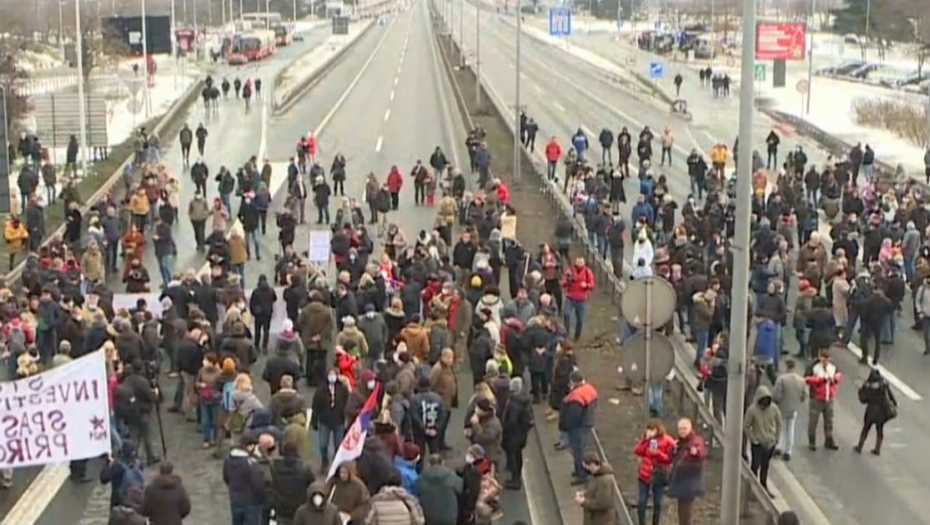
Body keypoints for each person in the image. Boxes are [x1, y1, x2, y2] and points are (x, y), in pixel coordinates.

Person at [558, 370, 598, 485]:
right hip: (587, 423)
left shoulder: (577, 395)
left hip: (578, 427)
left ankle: (582, 474)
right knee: (580, 448)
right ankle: (579, 470)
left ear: (573, 382)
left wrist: (566, 426)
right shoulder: (589, 389)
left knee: (578, 450)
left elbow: (573, 415)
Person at [633, 421, 675, 525]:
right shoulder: (647, 440)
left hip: (658, 474)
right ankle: (641, 522)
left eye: (652, 430)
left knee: (658, 503)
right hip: (644, 474)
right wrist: (645, 440)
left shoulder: (668, 440)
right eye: (648, 430)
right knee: (642, 501)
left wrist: (658, 454)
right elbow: (638, 451)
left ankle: (655, 522)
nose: (650, 432)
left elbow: (670, 459)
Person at [743, 385, 782, 495]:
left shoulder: (774, 408)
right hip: (758, 444)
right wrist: (753, 439)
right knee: (755, 465)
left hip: (770, 443)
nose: (765, 401)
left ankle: (763, 486)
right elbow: (746, 425)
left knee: (765, 466)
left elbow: (779, 423)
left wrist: (776, 438)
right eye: (763, 399)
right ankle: (752, 489)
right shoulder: (752, 410)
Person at [667, 418, 706, 525]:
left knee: (685, 514)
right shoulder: (680, 443)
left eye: (684, 428)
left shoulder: (695, 441)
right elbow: (671, 457)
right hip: (683, 482)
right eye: (680, 429)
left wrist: (695, 452)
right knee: (682, 512)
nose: (682, 431)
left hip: (689, 482)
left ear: (690, 428)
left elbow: (700, 452)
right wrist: (673, 449)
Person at [223, 434, 267, 525]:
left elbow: (226, 477)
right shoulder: (251, 463)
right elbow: (258, 484)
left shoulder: (228, 459)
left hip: (235, 499)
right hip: (251, 502)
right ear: (250, 446)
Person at [270, 442, 315, 525]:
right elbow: (312, 485)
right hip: (299, 506)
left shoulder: (274, 467)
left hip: (281, 508)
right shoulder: (304, 469)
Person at [854, 369, 897, 456]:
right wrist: (894, 403)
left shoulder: (868, 387)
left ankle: (860, 446)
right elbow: (890, 395)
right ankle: (877, 449)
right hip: (882, 411)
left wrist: (860, 389)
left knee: (866, 428)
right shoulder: (884, 384)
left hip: (871, 412)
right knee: (880, 429)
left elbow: (863, 399)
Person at [805, 348, 841, 451]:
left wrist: (834, 379)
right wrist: (820, 380)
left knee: (829, 420)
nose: (825, 361)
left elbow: (838, 375)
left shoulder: (832, 366)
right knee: (813, 420)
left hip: (829, 397)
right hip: (816, 398)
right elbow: (807, 379)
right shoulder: (813, 366)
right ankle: (812, 441)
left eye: (827, 359)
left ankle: (828, 439)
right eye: (823, 358)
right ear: (819, 357)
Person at [500, 377, 533, 489]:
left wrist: (505, 428)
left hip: (513, 436)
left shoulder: (513, 404)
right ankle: (517, 476)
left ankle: (515, 480)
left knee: (513, 456)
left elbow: (512, 422)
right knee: (518, 456)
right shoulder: (523, 401)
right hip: (521, 435)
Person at [773, 359, 807, 461]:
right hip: (793, 408)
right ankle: (788, 450)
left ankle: (778, 447)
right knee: (790, 429)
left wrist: (775, 401)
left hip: (782, 408)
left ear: (786, 366)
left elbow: (776, 395)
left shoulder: (781, 379)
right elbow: (804, 395)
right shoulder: (801, 380)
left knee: (780, 428)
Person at [417, 454, 462, 525]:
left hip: (429, 517)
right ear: (442, 463)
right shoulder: (452, 477)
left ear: (428, 464)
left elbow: (415, 493)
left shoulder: (421, 479)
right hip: (449, 516)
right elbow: (460, 489)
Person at [573, 453, 616, 525]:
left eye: (587, 466)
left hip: (601, 521)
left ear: (593, 464)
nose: (586, 469)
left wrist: (584, 502)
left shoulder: (604, 481)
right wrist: (584, 493)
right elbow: (595, 490)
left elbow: (603, 503)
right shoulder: (596, 475)